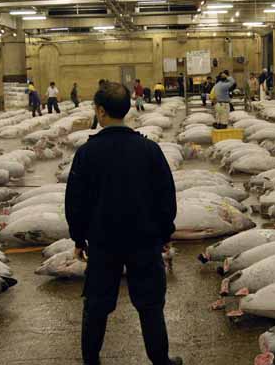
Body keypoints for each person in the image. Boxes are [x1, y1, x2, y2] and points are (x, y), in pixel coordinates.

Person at [65, 81, 182, 365]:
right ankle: (161, 360)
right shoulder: (149, 150)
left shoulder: (87, 153)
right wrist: (166, 232)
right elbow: (165, 196)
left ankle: (91, 361)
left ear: (101, 111)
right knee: (150, 304)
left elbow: (75, 202)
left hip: (104, 242)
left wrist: (79, 239)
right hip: (145, 240)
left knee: (96, 305)